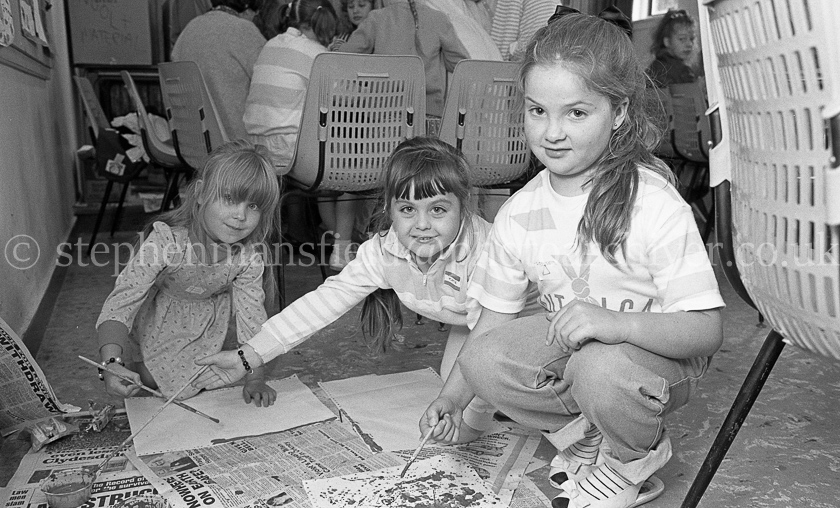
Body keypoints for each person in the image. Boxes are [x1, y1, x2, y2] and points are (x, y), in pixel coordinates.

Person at [420, 13, 724, 508]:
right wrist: (451, 398)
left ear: (618, 111)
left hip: (659, 361)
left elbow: (708, 330)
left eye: (577, 113)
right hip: (583, 358)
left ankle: (632, 463)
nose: (552, 132)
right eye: (537, 110)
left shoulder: (652, 200)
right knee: (481, 358)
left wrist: (615, 324)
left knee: (599, 366)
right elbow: (491, 324)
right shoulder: (519, 213)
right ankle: (589, 432)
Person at [192, 137, 536, 433]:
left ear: (464, 207)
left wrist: (466, 411)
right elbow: (325, 301)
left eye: (438, 210)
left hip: (528, 317)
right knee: (459, 389)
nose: (422, 225)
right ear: (388, 208)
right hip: (471, 322)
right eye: (407, 209)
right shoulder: (384, 251)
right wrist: (249, 355)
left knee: (478, 394)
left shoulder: (486, 253)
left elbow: (487, 333)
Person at [95, 140, 281, 406]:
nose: (240, 215)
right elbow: (120, 304)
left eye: (253, 206)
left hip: (205, 326)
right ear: (202, 194)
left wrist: (255, 379)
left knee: (196, 381)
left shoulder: (247, 258)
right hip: (156, 319)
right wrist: (111, 362)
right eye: (229, 198)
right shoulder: (165, 242)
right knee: (145, 378)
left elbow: (252, 318)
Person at [242, 0, 356, 270]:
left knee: (328, 178)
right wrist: (339, 58)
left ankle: (341, 242)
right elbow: (349, 98)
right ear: (326, 23)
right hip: (292, 156)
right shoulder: (317, 54)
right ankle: (344, 249)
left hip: (259, 151)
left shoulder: (271, 44)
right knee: (353, 167)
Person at [338, 0, 471, 133]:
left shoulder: (376, 18)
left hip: (383, 117)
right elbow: (461, 64)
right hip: (428, 116)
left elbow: (343, 59)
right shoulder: (438, 18)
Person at [171, 0, 266, 140]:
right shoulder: (244, 29)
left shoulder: (189, 29)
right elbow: (269, 78)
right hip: (237, 145)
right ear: (247, 9)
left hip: (192, 141)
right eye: (256, 14)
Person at [646, 9, 697, 88]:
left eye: (692, 39)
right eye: (682, 39)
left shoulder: (654, 66)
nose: (689, 44)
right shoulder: (681, 71)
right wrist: (699, 87)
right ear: (667, 42)